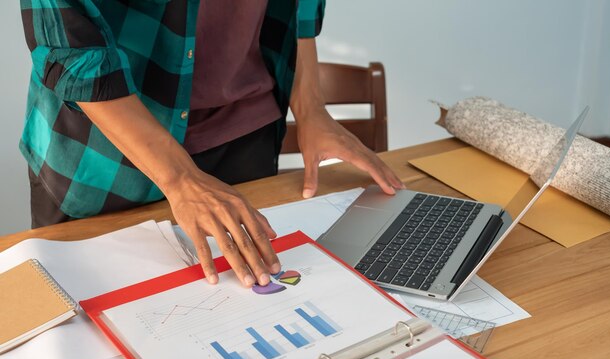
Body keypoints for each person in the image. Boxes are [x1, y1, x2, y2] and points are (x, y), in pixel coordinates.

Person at [19, 0, 403, 288]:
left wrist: (311, 107)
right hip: (102, 156)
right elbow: (71, 48)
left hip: (243, 138)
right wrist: (182, 178)